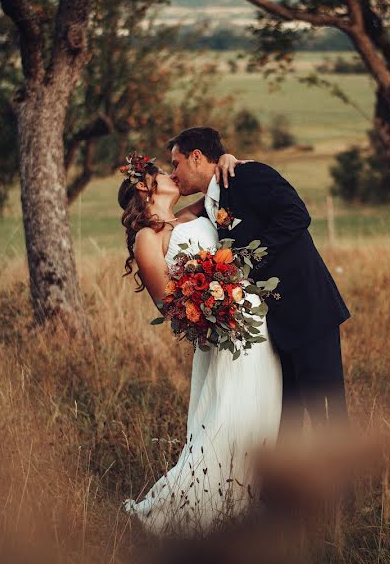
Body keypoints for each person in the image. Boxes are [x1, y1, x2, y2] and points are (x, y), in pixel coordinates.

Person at [118, 152, 282, 536]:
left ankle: (248, 504)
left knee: (259, 413)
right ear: (145, 187)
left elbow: (216, 189)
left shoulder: (187, 217)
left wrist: (229, 159)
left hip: (253, 328)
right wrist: (213, 308)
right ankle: (199, 509)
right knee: (227, 416)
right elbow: (170, 306)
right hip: (220, 335)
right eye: (162, 172)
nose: (172, 173)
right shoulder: (148, 237)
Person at [167, 127, 350, 431]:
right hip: (274, 325)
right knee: (287, 421)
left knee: (327, 417)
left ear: (196, 157)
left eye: (176, 163)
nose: (174, 173)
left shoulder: (247, 176)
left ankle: (343, 480)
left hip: (308, 309)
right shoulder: (211, 203)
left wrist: (244, 261)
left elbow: (296, 215)